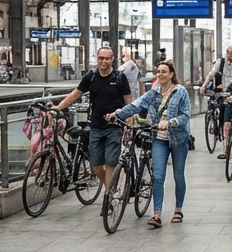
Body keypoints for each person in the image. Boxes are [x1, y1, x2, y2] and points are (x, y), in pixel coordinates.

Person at [107, 60, 191, 228]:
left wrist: (170, 122)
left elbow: (185, 115)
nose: (160, 74)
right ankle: (157, 214)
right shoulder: (154, 92)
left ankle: (178, 210)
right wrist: (118, 113)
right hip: (159, 139)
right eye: (158, 71)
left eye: (164, 72)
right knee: (158, 177)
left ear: (171, 74)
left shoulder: (181, 92)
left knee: (178, 176)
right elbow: (137, 105)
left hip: (178, 140)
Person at [55, 46, 134, 189]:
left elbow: (128, 98)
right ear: (97, 59)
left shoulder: (119, 77)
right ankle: (111, 187)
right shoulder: (91, 77)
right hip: (96, 126)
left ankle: (108, 195)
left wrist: (130, 115)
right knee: (95, 165)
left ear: (112, 60)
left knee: (110, 162)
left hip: (115, 126)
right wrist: (58, 108)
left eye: (107, 59)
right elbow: (76, 93)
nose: (103, 61)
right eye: (101, 58)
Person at [201, 45, 232, 159]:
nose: (230, 55)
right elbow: (211, 74)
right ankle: (225, 147)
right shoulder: (220, 62)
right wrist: (204, 86)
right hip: (222, 92)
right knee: (223, 117)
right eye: (229, 52)